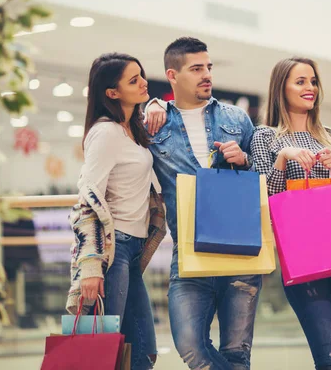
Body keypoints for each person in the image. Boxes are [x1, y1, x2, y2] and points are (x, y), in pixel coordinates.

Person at [145, 37, 261, 369]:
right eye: (196, 69)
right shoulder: (154, 124)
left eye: (208, 67)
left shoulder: (236, 118)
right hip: (190, 253)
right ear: (172, 75)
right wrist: (153, 104)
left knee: (237, 354)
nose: (206, 75)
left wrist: (245, 161)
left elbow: (263, 174)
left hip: (240, 250)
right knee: (190, 346)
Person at [251, 57, 331, 370]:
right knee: (329, 358)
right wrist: (283, 158)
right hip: (302, 254)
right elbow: (265, 199)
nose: (310, 88)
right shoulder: (265, 137)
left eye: (313, 81)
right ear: (281, 88)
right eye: (300, 81)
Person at [66, 53, 165, 370]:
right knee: (98, 352)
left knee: (142, 350)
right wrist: (91, 265)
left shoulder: (132, 131)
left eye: (142, 76)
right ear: (112, 92)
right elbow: (87, 198)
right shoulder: (105, 132)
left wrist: (157, 105)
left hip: (133, 251)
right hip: (113, 250)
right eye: (133, 80)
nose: (143, 83)